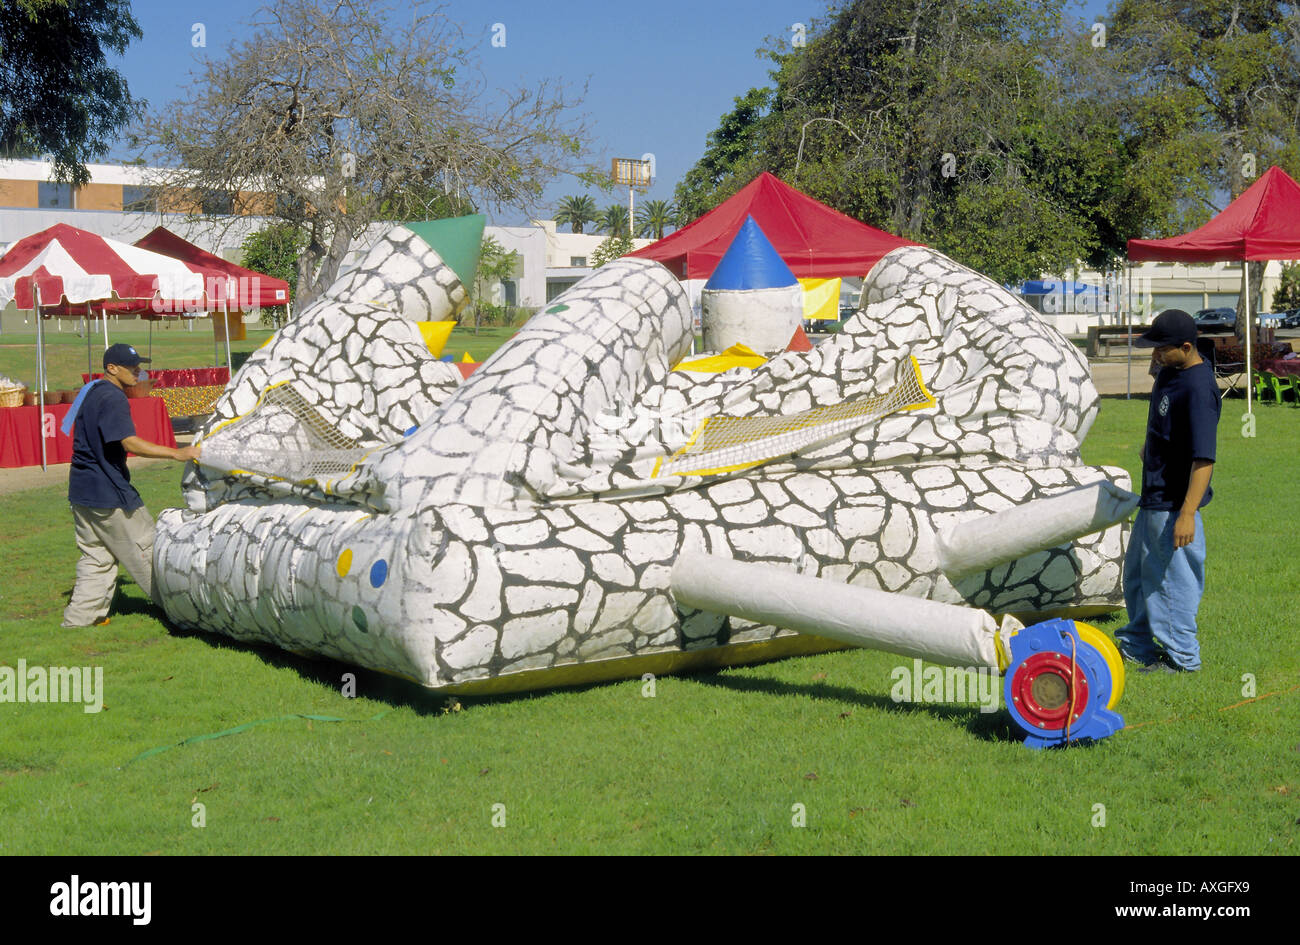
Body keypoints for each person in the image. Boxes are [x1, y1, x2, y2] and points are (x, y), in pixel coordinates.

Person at [61, 343, 201, 628]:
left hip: (81, 491)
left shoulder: (90, 391)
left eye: (140, 366)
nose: (139, 372)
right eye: (132, 367)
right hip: (109, 493)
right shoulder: (113, 398)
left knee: (96, 556)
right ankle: (186, 613)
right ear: (112, 368)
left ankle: (80, 620)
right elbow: (129, 442)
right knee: (149, 552)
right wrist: (178, 453)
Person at [1115, 309, 1220, 673]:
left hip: (1175, 503)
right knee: (1140, 576)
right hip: (1154, 495)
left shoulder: (1198, 387)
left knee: (1171, 582)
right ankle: (1138, 644)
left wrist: (1187, 513)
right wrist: (1152, 445)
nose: (1155, 355)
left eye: (1162, 349)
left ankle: (1182, 659)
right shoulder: (1171, 371)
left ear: (1187, 347)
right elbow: (1163, 413)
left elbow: (1204, 458)